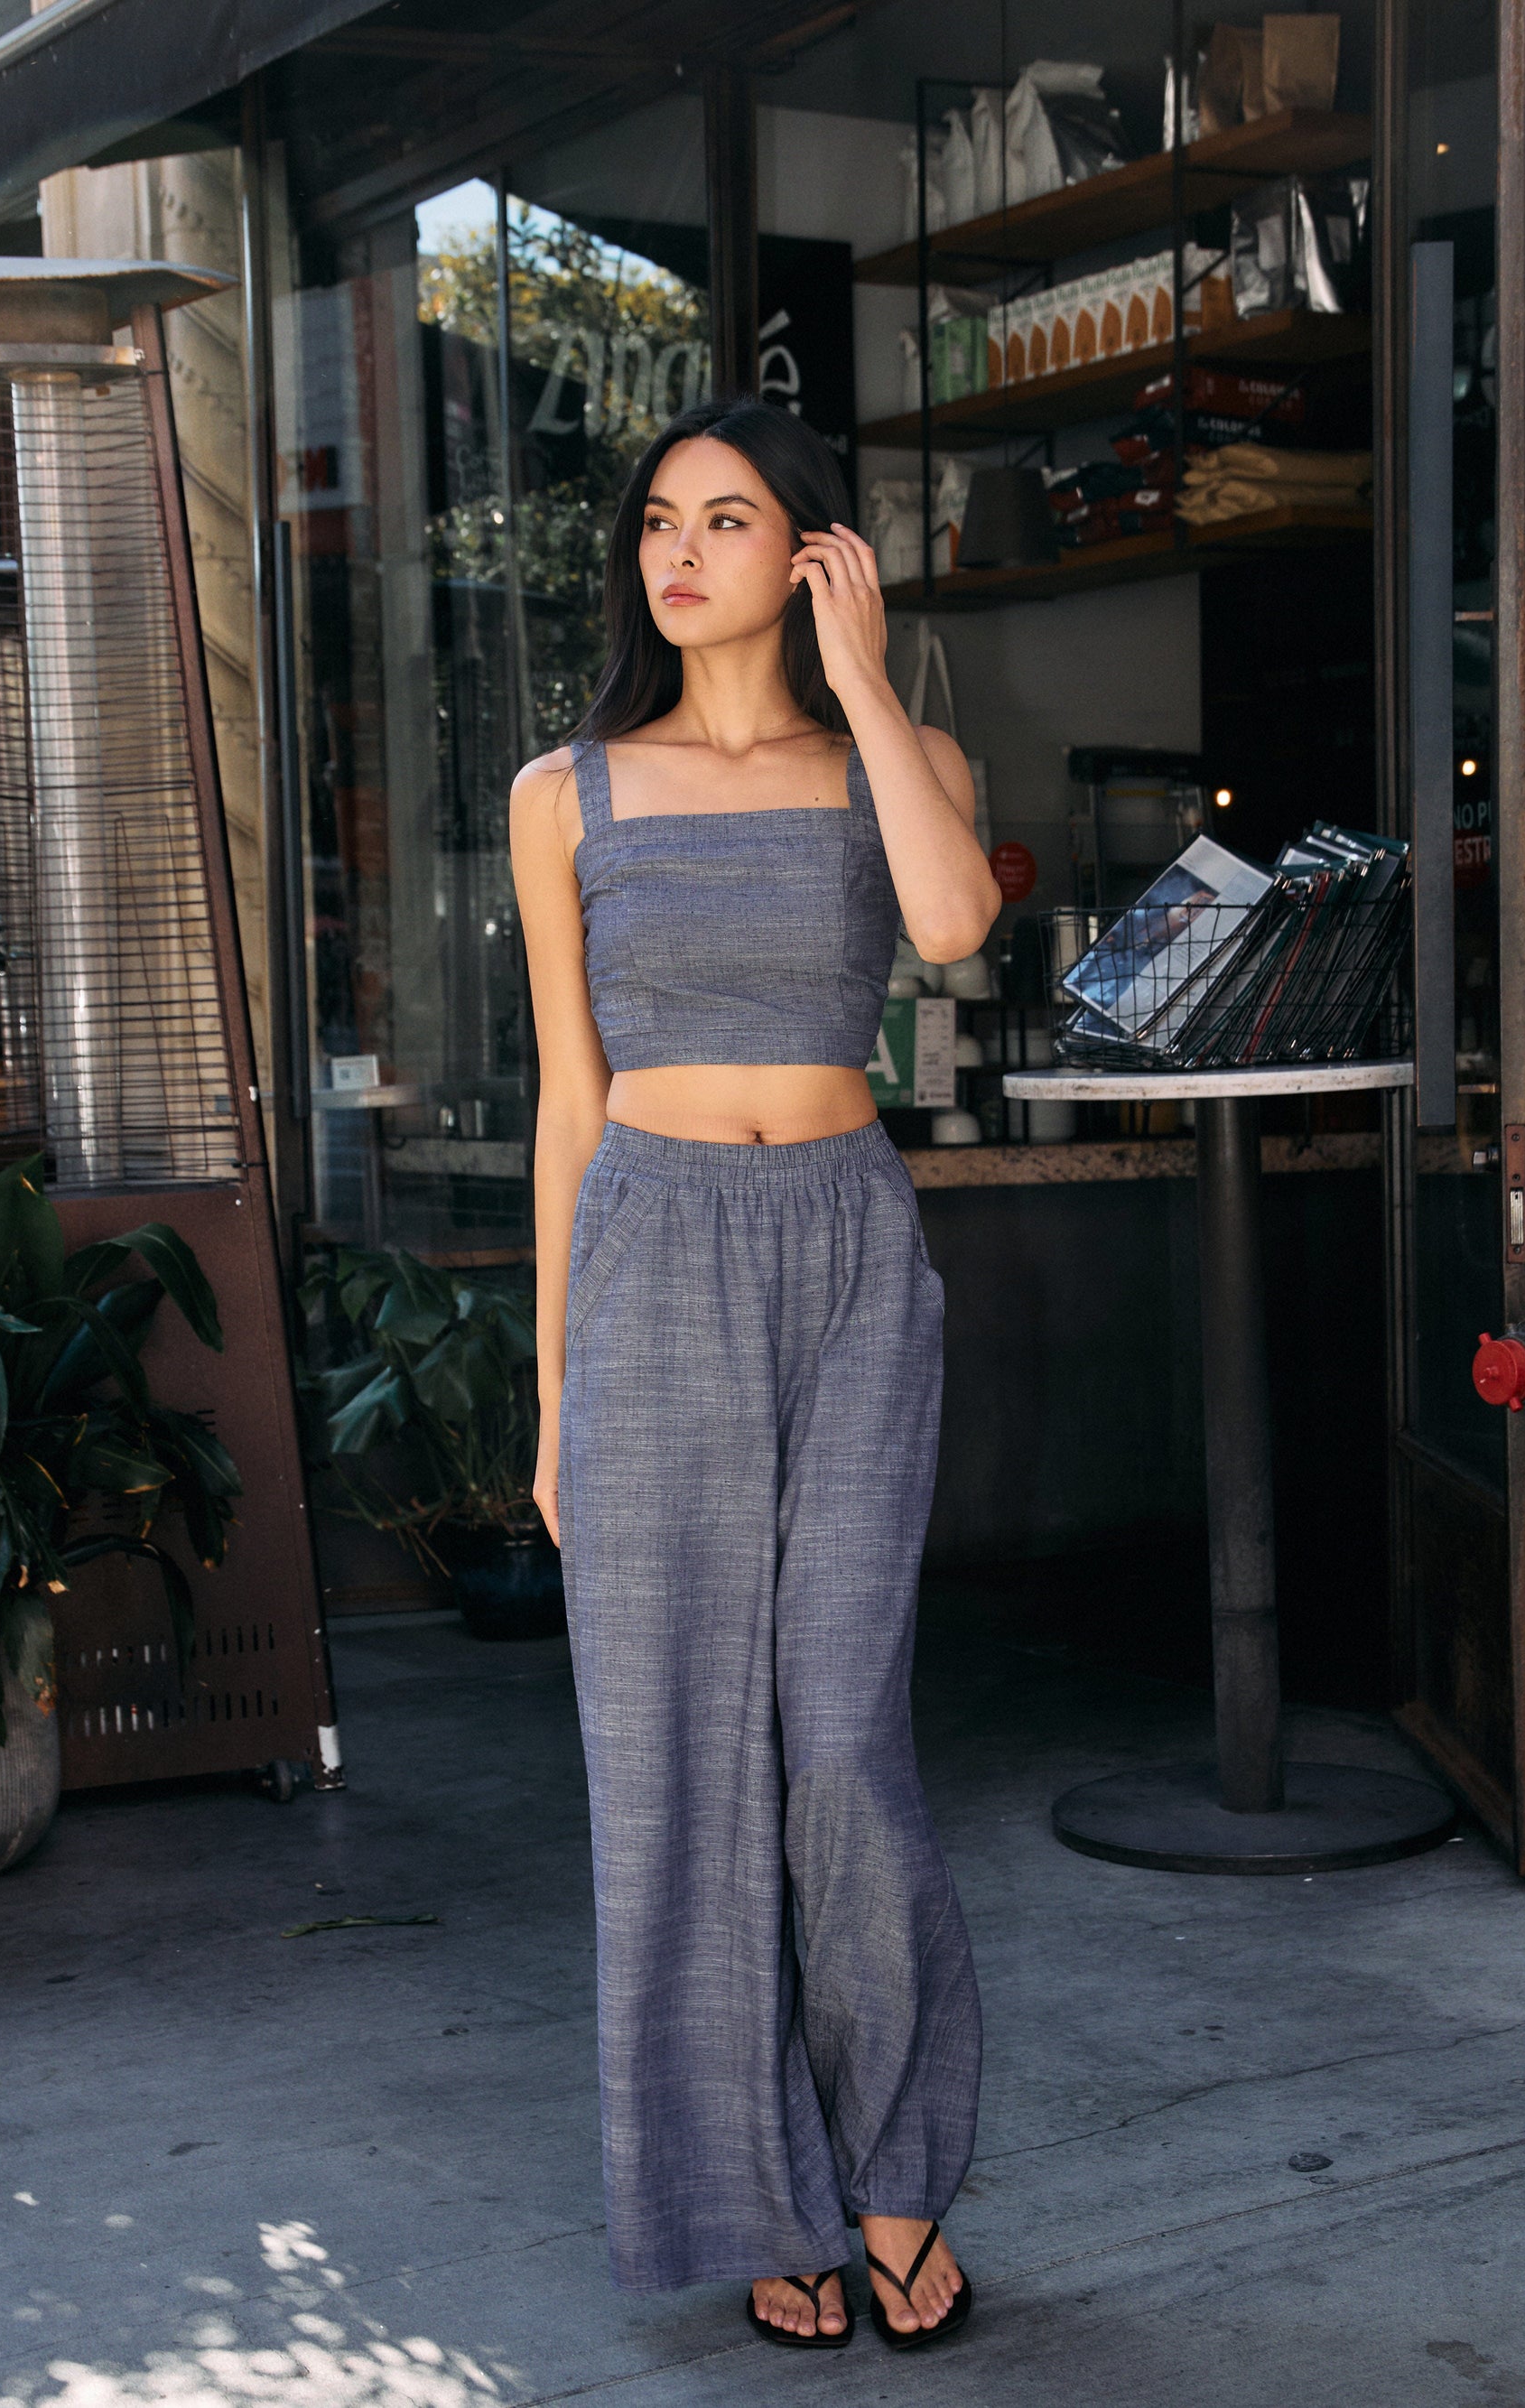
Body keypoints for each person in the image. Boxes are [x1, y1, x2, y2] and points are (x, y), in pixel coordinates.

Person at [509, 396, 998, 2352]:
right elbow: (566, 1101)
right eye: (656, 521)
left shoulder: (902, 758)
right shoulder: (572, 790)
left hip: (851, 1257)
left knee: (841, 1745)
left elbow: (954, 925)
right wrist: (552, 1401)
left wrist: (868, 682)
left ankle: (889, 2174)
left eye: (727, 519)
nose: (677, 550)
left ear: (809, 551)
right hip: (649, 1251)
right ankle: (751, 2196)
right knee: (671, 1773)